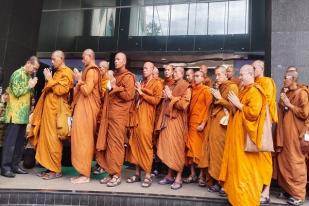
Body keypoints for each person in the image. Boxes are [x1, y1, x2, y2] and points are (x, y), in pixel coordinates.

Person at [219, 64, 266, 205]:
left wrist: (238, 105)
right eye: (239, 75)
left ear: (251, 75)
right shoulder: (243, 90)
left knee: (245, 174)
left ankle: (246, 201)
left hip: (246, 141)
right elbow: (236, 111)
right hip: (237, 139)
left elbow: (254, 113)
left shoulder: (255, 91)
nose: (239, 78)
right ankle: (236, 199)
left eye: (242, 75)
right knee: (236, 171)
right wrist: (233, 105)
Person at [28, 51, 74, 180]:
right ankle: (49, 168)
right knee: (46, 140)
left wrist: (50, 79)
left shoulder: (67, 72)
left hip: (57, 112)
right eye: (51, 59)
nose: (52, 62)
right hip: (48, 111)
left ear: (61, 58)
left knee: (54, 141)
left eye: (54, 59)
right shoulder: (57, 72)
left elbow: (61, 90)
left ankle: (56, 170)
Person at [96, 52, 135, 187]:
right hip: (108, 114)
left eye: (118, 59)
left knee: (116, 145)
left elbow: (129, 95)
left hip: (119, 116)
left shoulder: (128, 77)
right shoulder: (114, 76)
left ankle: (117, 174)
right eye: (115, 59)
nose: (116, 61)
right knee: (108, 145)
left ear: (124, 61)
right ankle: (110, 172)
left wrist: (115, 88)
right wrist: (110, 86)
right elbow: (107, 92)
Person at [274, 69, 308, 206]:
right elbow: (283, 109)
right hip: (285, 133)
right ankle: (288, 189)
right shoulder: (286, 92)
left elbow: (305, 113)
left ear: (293, 79)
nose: (283, 80)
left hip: (295, 133)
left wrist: (289, 104)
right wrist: (283, 102)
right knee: (284, 160)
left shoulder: (302, 93)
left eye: (286, 78)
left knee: (295, 161)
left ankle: (299, 194)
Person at [126, 62, 163, 187]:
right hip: (137, 117)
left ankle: (147, 175)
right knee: (136, 146)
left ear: (153, 70)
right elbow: (137, 97)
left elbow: (157, 100)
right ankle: (137, 174)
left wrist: (142, 93)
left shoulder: (157, 83)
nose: (144, 70)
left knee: (146, 146)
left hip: (147, 119)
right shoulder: (142, 83)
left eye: (147, 68)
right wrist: (137, 93)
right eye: (143, 68)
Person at [1, 56, 39, 177]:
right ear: (28, 63)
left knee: (19, 143)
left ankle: (15, 165)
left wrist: (32, 87)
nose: (34, 71)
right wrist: (30, 86)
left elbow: (30, 94)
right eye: (34, 68)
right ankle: (5, 168)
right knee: (10, 143)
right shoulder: (17, 73)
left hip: (23, 115)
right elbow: (17, 92)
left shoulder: (28, 76)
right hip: (14, 115)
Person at [203, 66, 238, 194]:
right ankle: (217, 181)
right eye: (215, 75)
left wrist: (220, 98)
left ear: (225, 75)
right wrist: (215, 95)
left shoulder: (232, 87)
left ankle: (225, 183)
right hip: (215, 125)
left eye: (219, 75)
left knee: (223, 154)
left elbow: (234, 108)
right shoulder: (219, 87)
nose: (217, 78)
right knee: (215, 154)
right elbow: (213, 106)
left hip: (224, 127)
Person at [70, 49, 102, 184]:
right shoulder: (87, 70)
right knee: (79, 139)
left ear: (90, 56)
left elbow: (87, 90)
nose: (82, 61)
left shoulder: (92, 71)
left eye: (84, 58)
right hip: (83, 108)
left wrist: (79, 79)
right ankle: (81, 172)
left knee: (84, 140)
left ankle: (85, 175)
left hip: (88, 110)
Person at [157, 66, 191, 190]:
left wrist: (171, 97)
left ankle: (179, 177)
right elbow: (167, 103)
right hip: (169, 121)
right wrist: (166, 97)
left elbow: (183, 105)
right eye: (174, 71)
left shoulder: (186, 87)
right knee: (169, 148)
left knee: (177, 149)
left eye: (176, 71)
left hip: (178, 122)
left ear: (182, 74)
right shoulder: (172, 85)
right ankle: (170, 175)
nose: (174, 73)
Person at [252, 60, 278, 204]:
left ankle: (266, 191)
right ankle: (256, 188)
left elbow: (266, 102)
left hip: (263, 125)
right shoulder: (252, 84)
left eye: (254, 68)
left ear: (261, 68)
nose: (253, 69)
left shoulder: (266, 81)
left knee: (265, 157)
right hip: (252, 126)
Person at [183, 71, 212, 184]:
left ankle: (201, 176)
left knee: (199, 151)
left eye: (198, 76)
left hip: (200, 124)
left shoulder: (206, 90)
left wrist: (203, 123)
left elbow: (208, 108)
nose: (195, 78)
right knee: (190, 149)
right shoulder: (191, 89)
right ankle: (193, 174)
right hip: (191, 123)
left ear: (204, 78)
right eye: (194, 76)